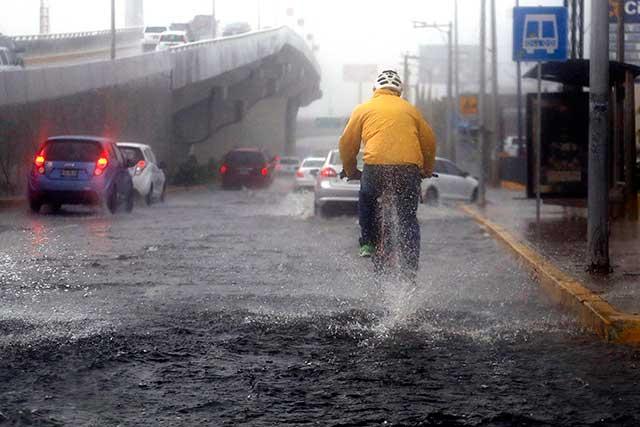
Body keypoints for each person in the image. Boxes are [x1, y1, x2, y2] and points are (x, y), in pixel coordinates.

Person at [339, 69, 437, 274]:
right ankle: (410, 265)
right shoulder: (411, 110)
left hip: (375, 168)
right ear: (399, 91)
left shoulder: (363, 109)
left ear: (375, 89)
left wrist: (350, 170)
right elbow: (429, 142)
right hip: (408, 171)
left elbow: (347, 144)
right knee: (408, 217)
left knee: (367, 198)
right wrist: (426, 170)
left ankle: (367, 241)